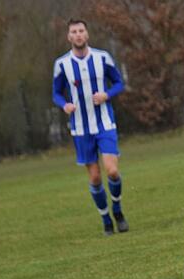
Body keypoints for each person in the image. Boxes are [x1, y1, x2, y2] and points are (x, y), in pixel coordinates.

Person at [53, 18, 129, 236]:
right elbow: (56, 92)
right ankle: (106, 220)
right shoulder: (62, 64)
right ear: (69, 37)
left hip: (105, 123)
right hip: (81, 128)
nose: (78, 34)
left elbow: (118, 83)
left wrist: (107, 94)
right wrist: (64, 104)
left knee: (112, 171)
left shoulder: (102, 57)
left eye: (81, 30)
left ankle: (117, 211)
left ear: (87, 34)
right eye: (74, 31)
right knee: (95, 177)